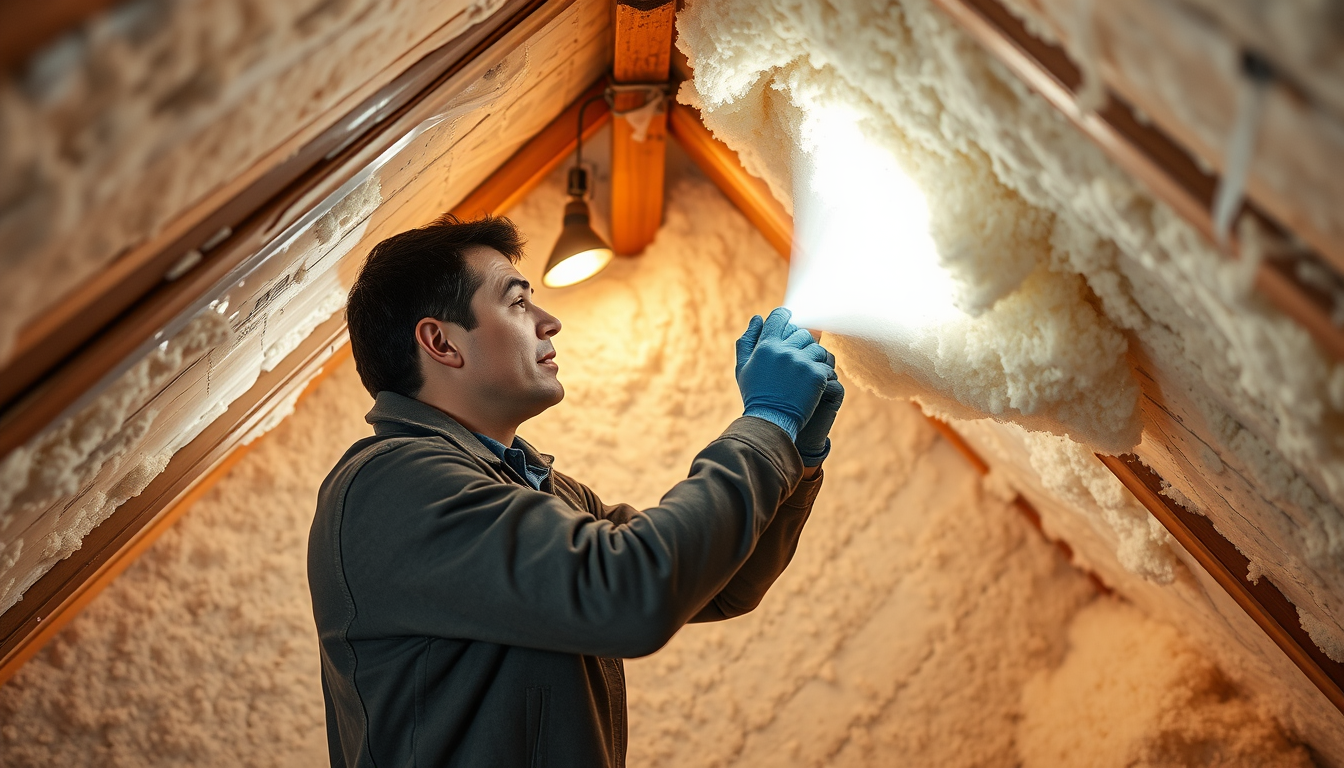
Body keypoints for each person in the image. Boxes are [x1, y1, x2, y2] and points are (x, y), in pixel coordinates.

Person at [308, 214, 844, 767]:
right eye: (518, 302)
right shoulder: (392, 482)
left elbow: (725, 585)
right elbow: (632, 590)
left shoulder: (540, 488)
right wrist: (769, 420)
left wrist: (797, 454)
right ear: (441, 341)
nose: (550, 322)